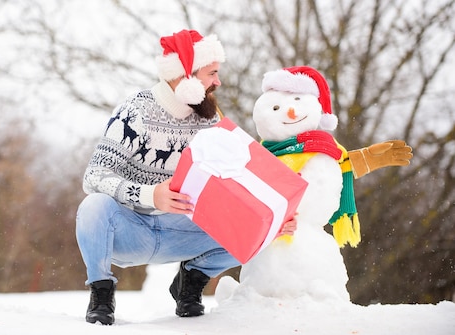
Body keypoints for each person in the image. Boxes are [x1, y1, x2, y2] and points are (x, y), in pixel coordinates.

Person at [75, 29, 412, 325]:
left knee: (259, 227)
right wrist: (152, 196)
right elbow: (94, 176)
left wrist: (275, 218)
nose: (217, 82)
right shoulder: (135, 110)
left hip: (185, 231)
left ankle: (191, 280)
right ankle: (101, 292)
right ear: (185, 75)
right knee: (94, 207)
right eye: (212, 73)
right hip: (132, 231)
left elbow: (253, 174)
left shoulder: (210, 121)